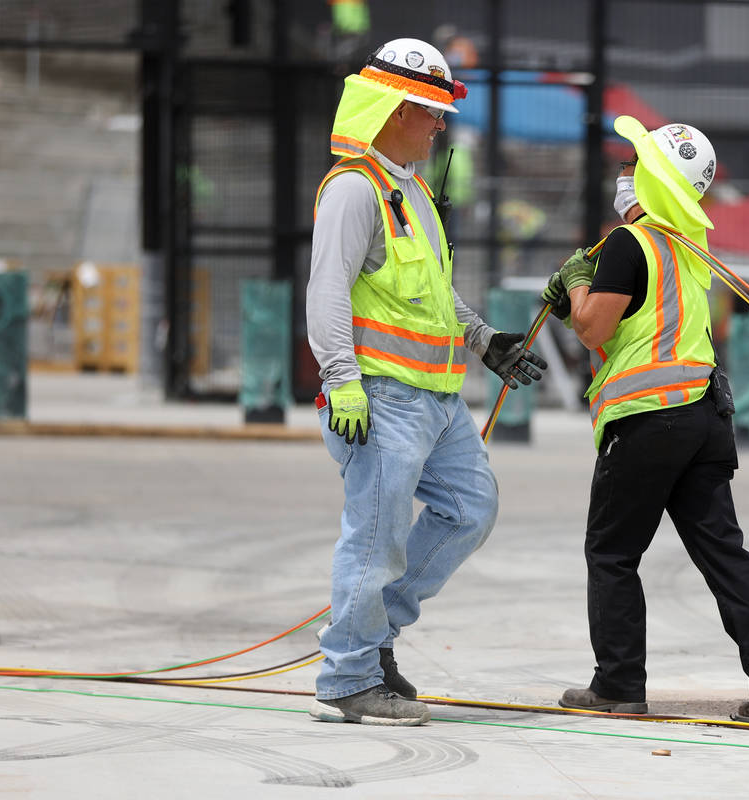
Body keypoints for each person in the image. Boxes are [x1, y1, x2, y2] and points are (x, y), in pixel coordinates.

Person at [306, 37, 547, 727]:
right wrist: (342, 381)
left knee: (471, 509)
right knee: (375, 536)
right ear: (390, 109)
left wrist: (484, 341)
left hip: (434, 400)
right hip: (380, 397)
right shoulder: (355, 190)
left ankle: (373, 636)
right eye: (430, 111)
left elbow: (435, 297)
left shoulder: (407, 190)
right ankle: (347, 680)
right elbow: (326, 293)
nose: (441, 126)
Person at [541, 116, 749, 725]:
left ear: (654, 178)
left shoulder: (629, 245)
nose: (625, 173)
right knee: (723, 553)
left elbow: (593, 328)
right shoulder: (689, 244)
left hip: (648, 421)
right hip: (705, 417)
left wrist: (577, 284)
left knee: (611, 554)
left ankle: (618, 686)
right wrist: (587, 285)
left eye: (635, 165)